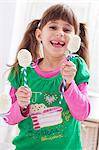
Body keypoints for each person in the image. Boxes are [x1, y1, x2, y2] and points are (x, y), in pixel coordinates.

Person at [4, 3, 90, 150]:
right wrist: (21, 105)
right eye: (53, 27)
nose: (60, 33)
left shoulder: (76, 68)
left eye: (67, 29)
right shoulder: (23, 72)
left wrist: (70, 83)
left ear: (75, 39)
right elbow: (9, 118)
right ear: (39, 35)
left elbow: (82, 114)